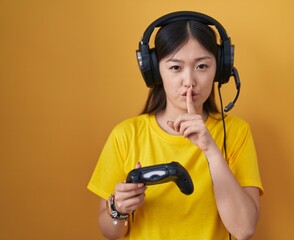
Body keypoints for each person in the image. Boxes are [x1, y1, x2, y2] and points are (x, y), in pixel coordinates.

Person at [87, 11, 263, 240]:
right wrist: (118, 209)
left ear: (219, 70)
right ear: (154, 71)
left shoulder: (237, 133)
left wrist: (210, 149)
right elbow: (109, 232)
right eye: (175, 68)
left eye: (202, 66)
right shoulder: (125, 135)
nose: (189, 81)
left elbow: (244, 230)